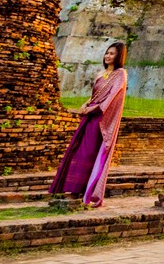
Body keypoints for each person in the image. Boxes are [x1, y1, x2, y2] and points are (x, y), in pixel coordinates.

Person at [52, 41, 129, 207]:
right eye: (107, 53)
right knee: (77, 152)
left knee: (87, 155)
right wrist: (85, 104)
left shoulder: (120, 74)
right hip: (89, 117)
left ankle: (79, 192)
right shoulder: (100, 73)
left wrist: (93, 109)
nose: (108, 56)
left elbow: (111, 98)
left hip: (100, 120)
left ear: (119, 56)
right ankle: (69, 189)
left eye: (112, 53)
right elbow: (95, 95)